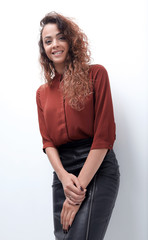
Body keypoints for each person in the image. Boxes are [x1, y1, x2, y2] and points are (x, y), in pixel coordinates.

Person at [36, 11, 120, 240]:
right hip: (64, 176)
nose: (55, 44)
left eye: (61, 37)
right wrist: (64, 178)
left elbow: (104, 138)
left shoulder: (96, 75)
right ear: (43, 49)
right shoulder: (42, 93)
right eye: (48, 40)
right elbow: (48, 142)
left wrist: (77, 193)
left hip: (97, 168)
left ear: (71, 41)